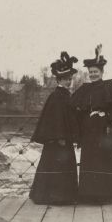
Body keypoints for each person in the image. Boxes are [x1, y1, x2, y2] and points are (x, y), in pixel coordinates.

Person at [71, 44, 112, 202]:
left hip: (104, 130)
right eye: (91, 72)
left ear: (102, 72)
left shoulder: (109, 86)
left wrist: (108, 115)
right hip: (88, 130)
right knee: (89, 160)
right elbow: (73, 105)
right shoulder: (85, 88)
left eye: (96, 72)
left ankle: (104, 195)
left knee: (103, 160)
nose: (93, 75)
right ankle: (88, 194)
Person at [29, 52, 80, 205]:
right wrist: (61, 137)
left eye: (70, 79)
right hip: (59, 140)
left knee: (58, 165)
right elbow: (56, 118)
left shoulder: (66, 95)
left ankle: (61, 196)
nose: (68, 82)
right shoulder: (57, 96)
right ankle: (56, 197)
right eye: (65, 79)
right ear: (59, 80)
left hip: (64, 138)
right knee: (56, 164)